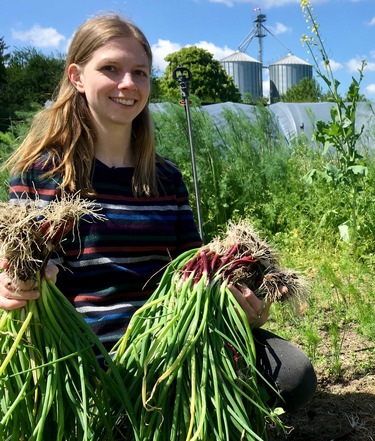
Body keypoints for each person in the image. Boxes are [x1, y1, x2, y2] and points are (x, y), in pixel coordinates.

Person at [0, 13, 316, 413]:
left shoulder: (165, 178)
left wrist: (242, 307)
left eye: (140, 72)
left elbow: (196, 272)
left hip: (173, 340)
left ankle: (167, 407)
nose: (128, 84)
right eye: (110, 69)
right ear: (77, 76)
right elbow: (18, 263)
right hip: (81, 352)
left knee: (292, 373)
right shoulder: (39, 172)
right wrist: (14, 283)